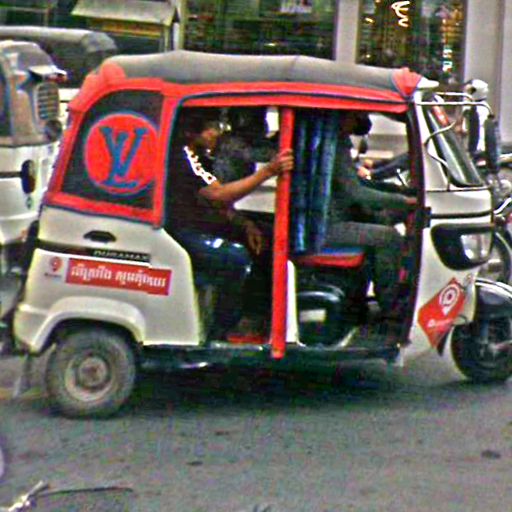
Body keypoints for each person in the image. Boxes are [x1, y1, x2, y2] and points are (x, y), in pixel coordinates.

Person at [168, 111, 293, 337]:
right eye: (211, 128)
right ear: (191, 133)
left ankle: (259, 315)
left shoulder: (202, 156)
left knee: (266, 235)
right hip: (184, 230)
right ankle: (224, 329)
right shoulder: (183, 156)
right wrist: (268, 171)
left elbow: (221, 206)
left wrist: (244, 224)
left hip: (203, 223)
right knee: (235, 259)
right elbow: (218, 196)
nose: (217, 134)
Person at [325, 111, 416, 317]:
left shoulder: (337, 144)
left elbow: (359, 184)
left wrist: (399, 193)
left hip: (338, 217)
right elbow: (357, 193)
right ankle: (390, 303)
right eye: (356, 115)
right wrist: (403, 200)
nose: (360, 120)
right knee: (389, 237)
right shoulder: (333, 147)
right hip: (328, 225)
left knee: (383, 218)